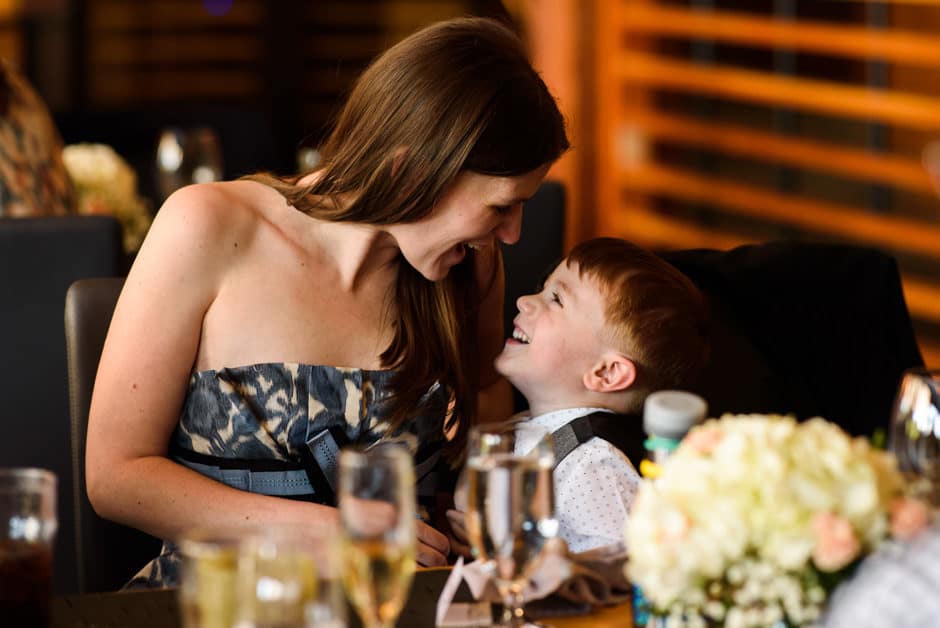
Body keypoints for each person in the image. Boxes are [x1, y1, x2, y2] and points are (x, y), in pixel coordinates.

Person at [84, 16, 568, 587]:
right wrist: (319, 532)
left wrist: (478, 503)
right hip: (220, 602)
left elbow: (488, 400)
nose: (513, 234)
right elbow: (115, 476)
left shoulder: (469, 265)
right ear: (411, 170)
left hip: (398, 604)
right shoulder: (209, 226)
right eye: (500, 207)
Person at [451, 237, 709, 553]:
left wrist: (509, 549)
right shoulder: (528, 427)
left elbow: (620, 573)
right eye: (542, 288)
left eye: (556, 299)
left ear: (606, 373)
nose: (525, 301)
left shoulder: (594, 466)